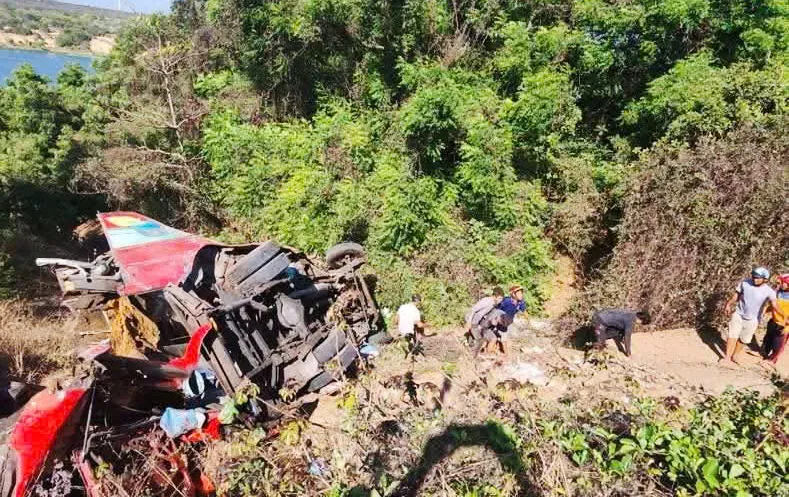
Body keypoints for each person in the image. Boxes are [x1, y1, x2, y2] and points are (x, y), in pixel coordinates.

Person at [722, 267, 779, 365]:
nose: (754, 279)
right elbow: (736, 295)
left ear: (765, 279)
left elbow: (775, 305)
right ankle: (727, 357)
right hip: (738, 314)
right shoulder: (745, 283)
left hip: (753, 319)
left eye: (758, 278)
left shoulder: (769, 291)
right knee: (732, 335)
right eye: (753, 277)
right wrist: (728, 304)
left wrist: (782, 316)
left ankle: (735, 355)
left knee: (744, 339)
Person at [763, 273, 789, 364]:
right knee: (768, 339)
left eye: (783, 282)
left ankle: (772, 360)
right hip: (774, 321)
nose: (780, 284)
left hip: (784, 325)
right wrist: (766, 309)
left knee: (778, 344)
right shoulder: (778, 292)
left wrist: (787, 326)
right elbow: (774, 305)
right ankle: (764, 354)